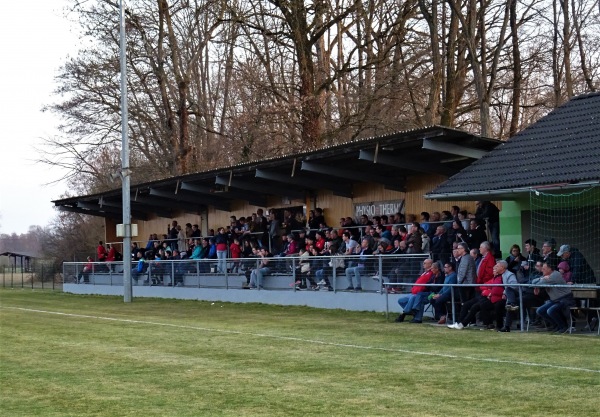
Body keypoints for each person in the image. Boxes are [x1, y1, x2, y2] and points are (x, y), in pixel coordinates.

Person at [532, 261, 575, 333]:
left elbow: (539, 284)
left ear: (550, 269)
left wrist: (539, 283)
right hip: (555, 300)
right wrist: (541, 279)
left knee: (551, 310)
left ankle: (564, 326)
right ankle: (556, 325)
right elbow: (533, 282)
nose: (542, 270)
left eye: (544, 269)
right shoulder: (546, 276)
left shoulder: (555, 275)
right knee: (540, 311)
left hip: (565, 299)